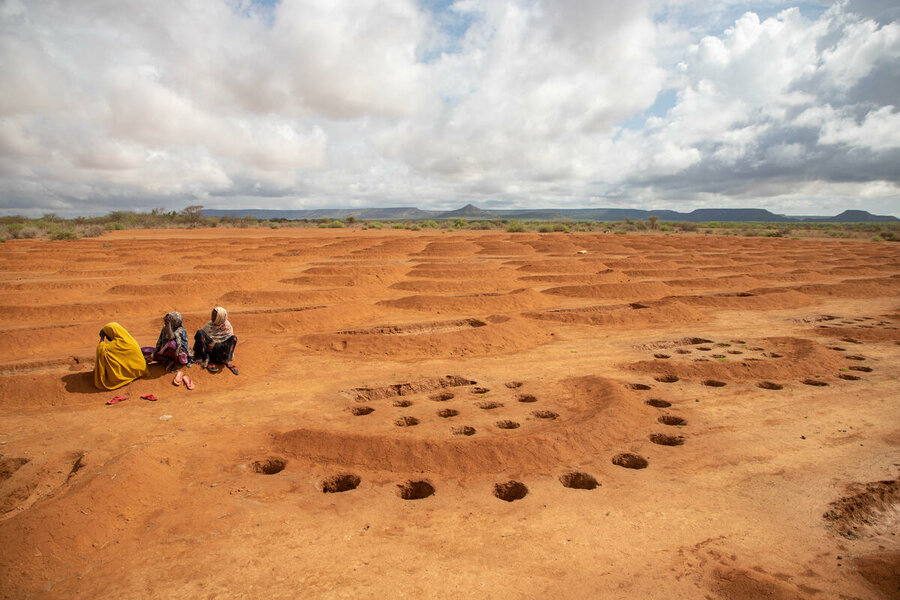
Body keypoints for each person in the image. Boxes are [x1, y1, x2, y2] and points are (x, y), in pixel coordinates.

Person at [94, 322, 150, 390]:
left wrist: (102, 338)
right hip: (140, 370)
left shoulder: (116, 344)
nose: (108, 338)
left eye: (107, 335)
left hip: (132, 373)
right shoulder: (128, 340)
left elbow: (100, 349)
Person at [194, 306, 239, 374]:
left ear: (220, 317)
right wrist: (212, 342)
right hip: (210, 351)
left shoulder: (227, 326)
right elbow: (202, 340)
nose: (212, 317)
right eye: (212, 315)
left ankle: (225, 360)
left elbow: (227, 343)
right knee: (200, 333)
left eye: (215, 316)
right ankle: (205, 357)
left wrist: (215, 343)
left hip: (221, 353)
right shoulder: (209, 325)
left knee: (234, 338)